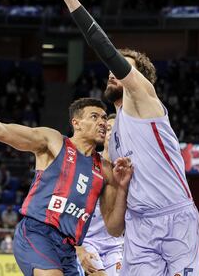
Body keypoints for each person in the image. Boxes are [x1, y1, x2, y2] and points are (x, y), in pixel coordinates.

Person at [48, 0, 199, 274]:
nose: (111, 71)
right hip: (138, 227)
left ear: (139, 79)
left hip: (175, 219)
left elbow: (102, 45)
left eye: (121, 68)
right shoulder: (111, 133)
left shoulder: (146, 100)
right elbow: (114, 226)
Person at [0, 63, 133, 276]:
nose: (102, 122)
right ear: (76, 123)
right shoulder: (53, 142)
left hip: (69, 246)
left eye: (103, 118)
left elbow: (115, 228)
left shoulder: (106, 170)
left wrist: (123, 188)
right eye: (95, 117)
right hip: (37, 232)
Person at [77, 115, 123, 276]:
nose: (111, 133)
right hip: (87, 240)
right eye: (108, 129)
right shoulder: (88, 163)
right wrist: (77, 247)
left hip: (115, 245)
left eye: (116, 129)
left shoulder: (130, 170)